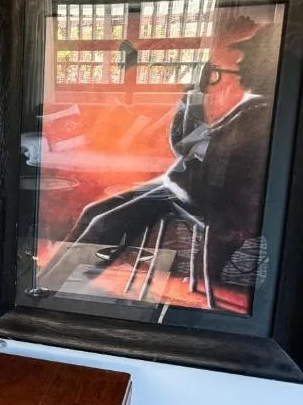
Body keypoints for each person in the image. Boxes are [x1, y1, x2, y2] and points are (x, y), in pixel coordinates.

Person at [43, 24, 280, 291]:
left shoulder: (259, 113)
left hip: (198, 196)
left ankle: (59, 287)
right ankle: (51, 282)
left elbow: (207, 161)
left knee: (104, 223)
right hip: (182, 185)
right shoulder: (250, 106)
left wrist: (196, 114)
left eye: (247, 57)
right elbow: (186, 147)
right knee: (93, 211)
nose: (240, 64)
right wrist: (192, 99)